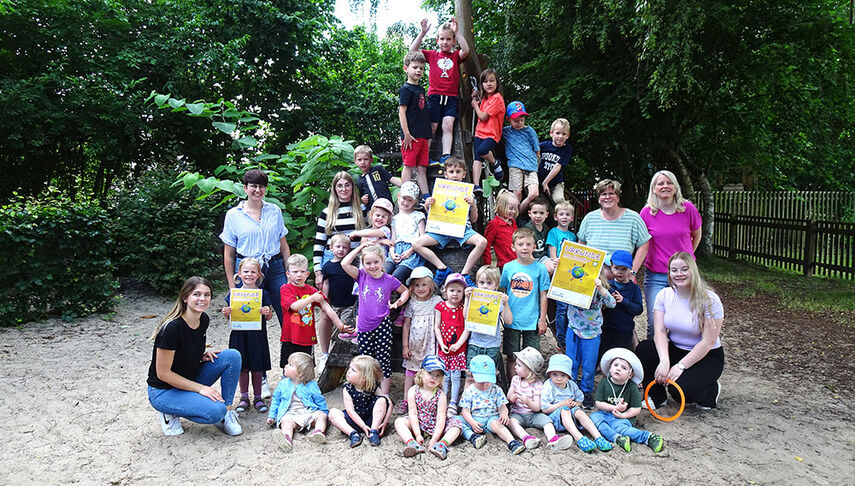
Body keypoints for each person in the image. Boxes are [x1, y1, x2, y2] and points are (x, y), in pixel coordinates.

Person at [220, 169, 290, 398]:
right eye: (253, 186)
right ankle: (262, 379)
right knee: (250, 324)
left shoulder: (274, 211)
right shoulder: (234, 215)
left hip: (275, 267)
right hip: (247, 272)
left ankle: (291, 371)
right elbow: (229, 253)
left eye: (261, 186)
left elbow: (283, 243)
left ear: (265, 189)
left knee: (286, 316)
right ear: (245, 188)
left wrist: (289, 272)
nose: (257, 190)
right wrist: (233, 284)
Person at [147, 277, 242, 436]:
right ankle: (168, 412)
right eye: (196, 294)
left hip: (188, 377)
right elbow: (163, 373)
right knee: (214, 411)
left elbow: (186, 348)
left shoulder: (203, 319)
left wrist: (200, 356)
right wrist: (201, 388)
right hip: (164, 390)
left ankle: (227, 412)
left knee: (232, 356)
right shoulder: (171, 329)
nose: (202, 299)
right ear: (185, 298)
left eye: (207, 295)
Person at [636, 252, 725, 410]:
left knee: (678, 391)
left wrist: (680, 366)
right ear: (669, 273)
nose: (679, 274)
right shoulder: (664, 295)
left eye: (684, 269)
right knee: (644, 349)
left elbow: (708, 341)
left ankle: (711, 390)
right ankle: (656, 397)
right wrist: (664, 361)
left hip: (706, 356)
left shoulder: (710, 299)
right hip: (676, 348)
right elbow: (660, 331)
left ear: (693, 270)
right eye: (674, 270)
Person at [640, 170, 703, 338]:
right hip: (656, 275)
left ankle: (680, 358)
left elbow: (696, 235)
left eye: (669, 183)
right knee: (655, 322)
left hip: (684, 274)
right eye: (660, 183)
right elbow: (641, 243)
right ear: (653, 189)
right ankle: (656, 359)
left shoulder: (687, 209)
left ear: (675, 187)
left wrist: (685, 260)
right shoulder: (646, 212)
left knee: (686, 320)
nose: (665, 186)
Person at [341, 242, 410, 394]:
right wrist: (360, 248)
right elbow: (344, 264)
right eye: (368, 263)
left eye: (376, 262)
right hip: (364, 327)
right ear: (363, 264)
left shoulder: (389, 279)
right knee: (366, 361)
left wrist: (398, 303)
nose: (372, 266)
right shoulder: (362, 276)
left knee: (383, 361)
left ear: (382, 261)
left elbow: (405, 291)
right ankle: (368, 392)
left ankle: (383, 395)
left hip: (383, 325)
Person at [413, 155, 488, 287]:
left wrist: (473, 205)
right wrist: (427, 206)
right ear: (446, 174)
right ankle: (441, 268)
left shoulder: (468, 194)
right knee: (417, 244)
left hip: (462, 229)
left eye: (458, 172)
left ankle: (464, 273)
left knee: (482, 242)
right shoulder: (438, 192)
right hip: (442, 230)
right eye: (451, 172)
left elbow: (474, 219)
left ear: (464, 174)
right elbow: (433, 217)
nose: (454, 175)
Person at [313, 172, 365, 356]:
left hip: (356, 263)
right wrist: (318, 271)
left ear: (353, 188)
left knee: (355, 306)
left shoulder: (362, 209)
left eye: (347, 185)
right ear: (335, 189)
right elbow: (319, 244)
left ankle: (355, 351)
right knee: (327, 310)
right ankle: (324, 354)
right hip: (332, 263)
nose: (344, 189)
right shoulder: (327, 213)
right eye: (339, 186)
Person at [410, 18, 470, 163]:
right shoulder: (432, 55)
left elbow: (466, 51)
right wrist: (422, 33)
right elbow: (412, 51)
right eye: (442, 39)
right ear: (437, 40)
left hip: (451, 98)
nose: (445, 42)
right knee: (432, 126)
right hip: (435, 96)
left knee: (448, 125)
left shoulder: (455, 56)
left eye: (449, 39)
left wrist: (458, 32)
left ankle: (445, 155)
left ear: (453, 42)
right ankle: (425, 156)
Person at [443, 355, 525, 454]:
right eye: (481, 381)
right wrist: (472, 422)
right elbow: (465, 411)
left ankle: (512, 442)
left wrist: (504, 414)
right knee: (457, 421)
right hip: (474, 419)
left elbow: (502, 406)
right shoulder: (470, 391)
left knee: (497, 424)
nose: (485, 384)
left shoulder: (496, 389)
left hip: (491, 419)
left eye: (488, 380)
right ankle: (473, 436)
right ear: (472, 376)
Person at [220, 258, 272, 414]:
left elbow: (269, 316)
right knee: (242, 367)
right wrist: (226, 313)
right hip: (239, 335)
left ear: (258, 275)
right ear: (239, 273)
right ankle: (244, 397)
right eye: (246, 271)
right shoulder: (234, 294)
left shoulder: (263, 293)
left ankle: (258, 397)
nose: (249, 274)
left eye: (253, 272)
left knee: (257, 367)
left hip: (257, 336)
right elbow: (230, 317)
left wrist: (267, 312)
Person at [280, 254, 347, 375]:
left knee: (306, 368)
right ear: (288, 274)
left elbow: (327, 308)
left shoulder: (312, 291)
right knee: (287, 367)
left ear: (307, 274)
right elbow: (294, 306)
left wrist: (340, 325)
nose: (299, 275)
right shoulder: (286, 289)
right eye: (295, 272)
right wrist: (312, 298)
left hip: (307, 337)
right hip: (289, 336)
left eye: (302, 271)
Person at [591, 348, 664, 453]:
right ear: (610, 368)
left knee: (620, 428)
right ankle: (617, 438)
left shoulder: (632, 387)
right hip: (606, 414)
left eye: (624, 368)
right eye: (615, 365)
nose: (618, 369)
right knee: (594, 417)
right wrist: (614, 408)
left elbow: (636, 408)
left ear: (630, 375)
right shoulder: (604, 383)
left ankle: (647, 437)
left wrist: (624, 415)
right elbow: (598, 403)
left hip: (623, 418)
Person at [500, 228, 550, 380]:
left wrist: (542, 319)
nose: (524, 248)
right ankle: (512, 389)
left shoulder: (540, 269)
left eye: (528, 244)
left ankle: (529, 388)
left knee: (532, 358)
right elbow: (502, 291)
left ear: (534, 247)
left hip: (532, 320)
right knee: (511, 356)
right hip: (512, 320)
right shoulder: (508, 267)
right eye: (520, 244)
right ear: (513, 247)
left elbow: (543, 295)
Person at [577, 179, 650, 280]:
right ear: (598, 199)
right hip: (592, 276)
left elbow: (644, 245)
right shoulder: (589, 218)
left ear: (618, 198)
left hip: (621, 277)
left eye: (611, 193)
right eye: (603, 194)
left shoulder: (633, 218)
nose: (607, 197)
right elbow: (581, 244)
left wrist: (633, 272)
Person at [540, 354, 612, 452]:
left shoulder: (572, 385)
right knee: (565, 410)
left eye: (563, 375)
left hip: (570, 414)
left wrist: (576, 404)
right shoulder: (548, 386)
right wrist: (562, 404)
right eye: (555, 375)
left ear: (568, 376)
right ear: (549, 374)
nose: (559, 379)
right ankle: (579, 438)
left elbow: (579, 400)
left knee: (579, 411)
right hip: (555, 417)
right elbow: (545, 409)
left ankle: (598, 437)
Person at [566, 278, 616, 409]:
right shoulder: (573, 282)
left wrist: (601, 288)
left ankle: (586, 391)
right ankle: (570, 388)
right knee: (571, 361)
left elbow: (612, 303)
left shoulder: (599, 288)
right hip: (573, 328)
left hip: (592, 332)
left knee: (589, 364)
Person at [399, 267, 443, 415]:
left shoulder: (437, 301)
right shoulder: (412, 302)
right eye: (416, 285)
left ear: (431, 285)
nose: (420, 288)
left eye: (424, 284)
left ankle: (431, 400)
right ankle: (406, 399)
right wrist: (405, 346)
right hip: (415, 343)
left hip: (431, 343)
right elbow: (406, 325)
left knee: (431, 371)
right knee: (410, 371)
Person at [266, 352, 328, 452]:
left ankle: (319, 431)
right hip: (291, 414)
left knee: (321, 416)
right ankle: (286, 438)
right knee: (286, 422)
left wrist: (324, 413)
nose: (285, 366)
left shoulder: (311, 385)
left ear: (300, 373)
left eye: (290, 365)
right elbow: (276, 401)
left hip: (309, 412)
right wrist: (272, 416)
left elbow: (319, 399)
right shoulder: (283, 384)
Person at [328, 355, 393, 447]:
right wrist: (362, 426)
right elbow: (350, 411)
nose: (348, 372)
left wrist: (385, 422)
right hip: (353, 421)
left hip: (371, 421)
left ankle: (374, 432)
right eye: (349, 368)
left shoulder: (373, 387)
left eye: (353, 370)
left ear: (364, 377)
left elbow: (389, 403)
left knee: (382, 400)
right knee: (333, 413)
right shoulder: (348, 389)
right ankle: (353, 434)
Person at [394, 355, 449, 458]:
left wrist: (435, 438)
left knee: (457, 425)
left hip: (435, 425)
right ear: (421, 372)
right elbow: (413, 414)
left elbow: (441, 418)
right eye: (430, 373)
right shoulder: (413, 391)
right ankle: (412, 443)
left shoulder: (440, 394)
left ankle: (441, 445)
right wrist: (418, 434)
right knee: (399, 422)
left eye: (438, 375)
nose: (434, 378)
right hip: (419, 423)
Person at [434, 273, 470, 416]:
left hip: (458, 349)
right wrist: (441, 344)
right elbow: (437, 327)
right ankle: (442, 400)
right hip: (444, 348)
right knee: (444, 376)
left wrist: (459, 344)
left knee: (456, 376)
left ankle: (453, 402)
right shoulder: (440, 307)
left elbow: (467, 327)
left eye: (459, 291)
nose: (455, 294)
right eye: (452, 290)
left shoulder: (463, 308)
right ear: (445, 291)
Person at [398, 51, 433, 197]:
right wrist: (406, 134)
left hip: (423, 135)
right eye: (415, 67)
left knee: (422, 167)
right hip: (411, 136)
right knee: (408, 165)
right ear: (406, 68)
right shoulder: (406, 89)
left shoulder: (420, 89)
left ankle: (426, 195)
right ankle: (405, 194)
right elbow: (402, 112)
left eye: (421, 68)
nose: (418, 70)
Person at [465, 265, 512, 371]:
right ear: (477, 283)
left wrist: (506, 304)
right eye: (481, 283)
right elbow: (465, 316)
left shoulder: (498, 300)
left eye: (489, 283)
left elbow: (508, 321)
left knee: (489, 374)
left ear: (496, 285)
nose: (485, 286)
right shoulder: (474, 297)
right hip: (474, 343)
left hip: (492, 345)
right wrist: (467, 299)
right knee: (471, 374)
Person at [600, 250, 643, 360]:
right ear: (611, 266)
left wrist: (624, 301)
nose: (619, 272)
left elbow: (638, 309)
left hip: (624, 329)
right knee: (604, 354)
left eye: (624, 269)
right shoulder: (607, 286)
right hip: (606, 327)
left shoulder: (634, 289)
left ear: (630, 268)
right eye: (616, 268)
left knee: (620, 355)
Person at [546, 200, 578, 351]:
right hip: (558, 274)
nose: (564, 217)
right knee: (561, 308)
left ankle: (571, 335)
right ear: (555, 217)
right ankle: (561, 338)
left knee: (570, 306)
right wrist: (554, 261)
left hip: (570, 275)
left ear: (572, 217)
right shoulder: (553, 232)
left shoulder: (573, 235)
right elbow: (553, 252)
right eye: (561, 214)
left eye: (567, 214)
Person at [505, 347, 547, 451]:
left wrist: (528, 402)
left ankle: (552, 438)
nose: (515, 367)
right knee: (511, 422)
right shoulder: (515, 380)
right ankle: (526, 437)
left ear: (530, 370)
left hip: (533, 415)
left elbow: (537, 408)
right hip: (518, 413)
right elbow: (508, 396)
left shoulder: (538, 385)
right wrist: (512, 398)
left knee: (548, 421)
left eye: (519, 365)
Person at [471, 68, 506, 191]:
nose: (489, 84)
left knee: (482, 150)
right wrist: (476, 97)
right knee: (477, 158)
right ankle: (476, 185)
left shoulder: (497, 98)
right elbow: (480, 102)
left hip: (492, 134)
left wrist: (475, 106)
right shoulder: (485, 97)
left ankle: (495, 162)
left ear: (497, 83)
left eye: (492, 81)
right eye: (485, 82)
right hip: (479, 132)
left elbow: (483, 116)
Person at [503, 101, 541, 214]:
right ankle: (515, 219)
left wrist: (534, 163)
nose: (519, 123)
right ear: (508, 119)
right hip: (515, 165)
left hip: (530, 166)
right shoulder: (506, 131)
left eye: (522, 119)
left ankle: (518, 213)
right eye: (516, 120)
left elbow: (537, 150)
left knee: (534, 193)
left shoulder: (529, 131)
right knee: (517, 194)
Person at [321, 233, 359, 345]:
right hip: (334, 303)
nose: (341, 250)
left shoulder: (350, 264)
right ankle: (334, 345)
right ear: (331, 248)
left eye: (345, 247)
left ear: (349, 249)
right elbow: (326, 283)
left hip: (349, 303)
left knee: (345, 325)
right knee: (334, 327)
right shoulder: (327, 266)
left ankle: (342, 346)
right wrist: (325, 299)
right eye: (338, 247)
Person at [387, 181, 426, 284]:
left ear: (415, 201)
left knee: (397, 276)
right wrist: (392, 252)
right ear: (399, 196)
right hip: (396, 249)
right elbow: (393, 239)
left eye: (410, 200)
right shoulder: (394, 218)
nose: (406, 202)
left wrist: (411, 251)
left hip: (412, 250)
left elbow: (422, 238)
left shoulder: (418, 216)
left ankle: (403, 296)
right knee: (386, 273)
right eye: (404, 198)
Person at [538, 118, 574, 204]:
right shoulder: (543, 146)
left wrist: (545, 183)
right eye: (557, 133)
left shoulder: (567, 149)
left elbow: (557, 166)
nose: (560, 136)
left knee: (558, 200)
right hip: (539, 181)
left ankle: (563, 216)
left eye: (564, 134)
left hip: (555, 183)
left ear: (567, 136)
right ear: (551, 133)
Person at [482, 189, 519, 269]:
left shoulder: (512, 223)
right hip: (505, 264)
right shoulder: (494, 224)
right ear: (501, 206)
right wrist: (487, 265)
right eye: (511, 208)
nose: (513, 211)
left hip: (518, 262)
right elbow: (486, 245)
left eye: (515, 209)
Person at [523, 196, 552, 272]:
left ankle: (545, 283)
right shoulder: (527, 228)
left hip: (542, 257)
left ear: (547, 214)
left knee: (551, 268)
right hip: (531, 257)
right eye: (535, 213)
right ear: (529, 213)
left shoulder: (546, 228)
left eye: (542, 213)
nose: (538, 216)